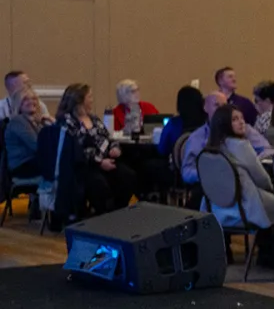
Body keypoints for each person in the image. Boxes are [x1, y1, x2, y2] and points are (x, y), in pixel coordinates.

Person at [56, 83, 138, 218]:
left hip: (105, 160)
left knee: (128, 176)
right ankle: (103, 214)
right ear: (80, 100)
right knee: (99, 184)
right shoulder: (68, 122)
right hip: (85, 165)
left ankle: (118, 212)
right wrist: (100, 162)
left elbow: (107, 137)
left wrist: (114, 148)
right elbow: (76, 149)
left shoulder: (94, 119)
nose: (92, 100)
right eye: (89, 96)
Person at [201, 105, 274, 230]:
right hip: (244, 207)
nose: (241, 122)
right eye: (235, 119)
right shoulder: (240, 146)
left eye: (242, 118)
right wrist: (272, 189)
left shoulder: (208, 151)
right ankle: (270, 248)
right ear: (223, 123)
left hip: (216, 208)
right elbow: (261, 178)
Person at [158, 86, 208, 158]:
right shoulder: (207, 122)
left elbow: (162, 149)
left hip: (179, 164)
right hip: (203, 163)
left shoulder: (174, 123)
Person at [5, 90, 45, 178]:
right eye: (25, 99)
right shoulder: (18, 121)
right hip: (22, 165)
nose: (31, 102)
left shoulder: (37, 122)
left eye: (33, 99)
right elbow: (37, 145)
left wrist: (50, 120)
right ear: (18, 103)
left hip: (34, 162)